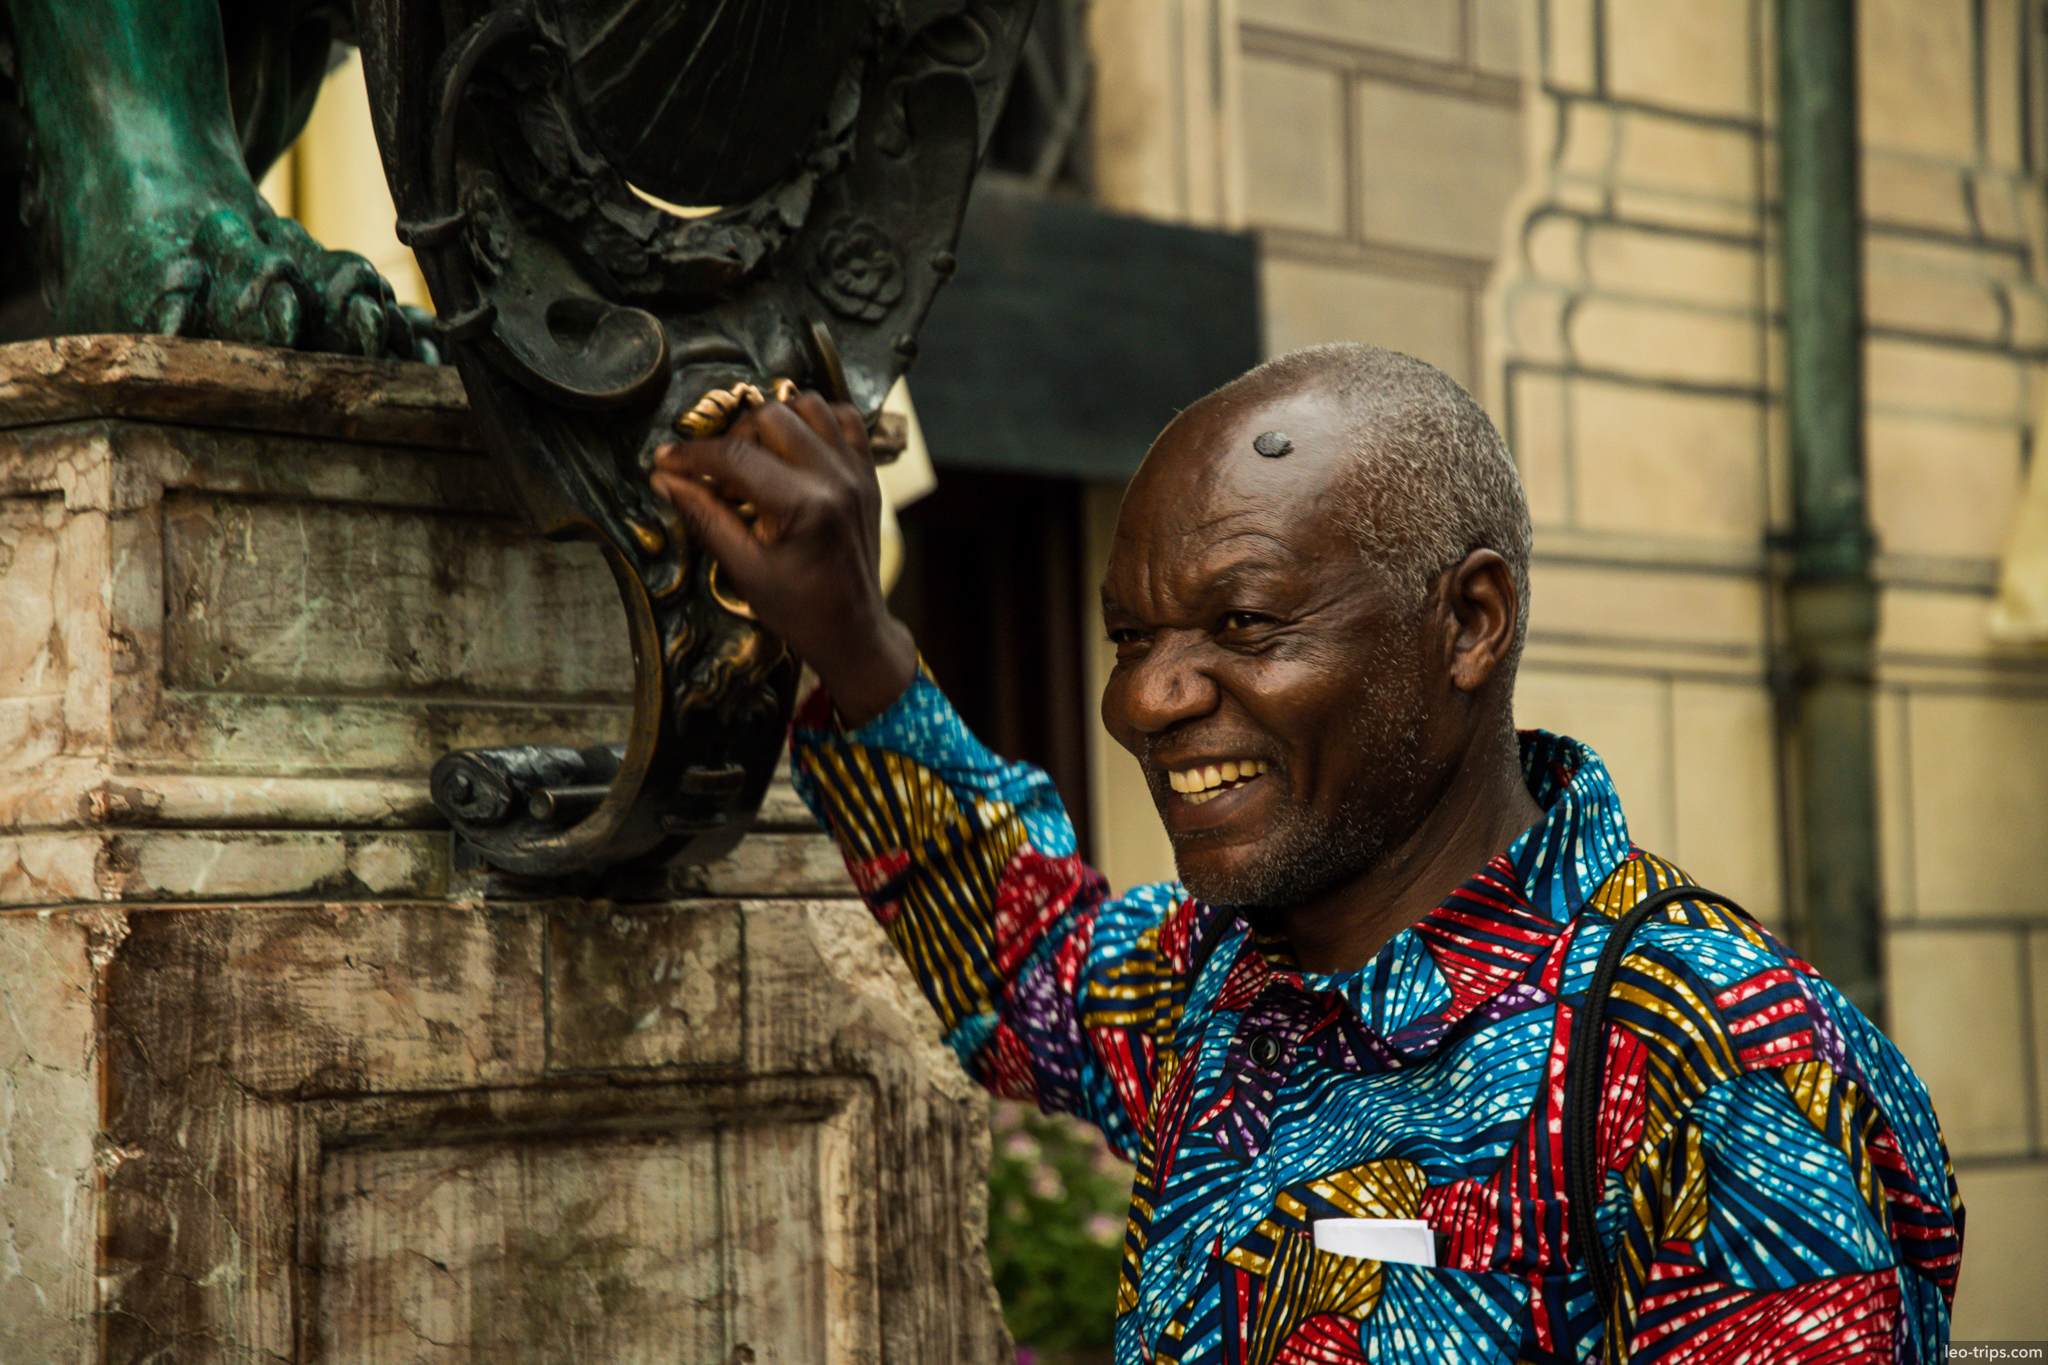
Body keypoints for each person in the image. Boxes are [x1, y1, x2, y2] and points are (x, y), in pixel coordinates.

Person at [651, 343, 1962, 1364]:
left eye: (1243, 618)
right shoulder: (1209, 989)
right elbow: (1023, 942)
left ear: (1469, 622)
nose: (1147, 701)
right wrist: (848, 631)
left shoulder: (1711, 1060)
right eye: (1128, 636)